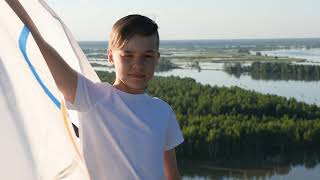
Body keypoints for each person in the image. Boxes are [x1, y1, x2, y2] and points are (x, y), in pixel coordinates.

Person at [6, 0, 184, 179]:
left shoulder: (163, 111)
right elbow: (43, 50)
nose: (137, 65)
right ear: (110, 57)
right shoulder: (93, 98)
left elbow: (172, 175)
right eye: (127, 55)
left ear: (157, 59)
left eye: (147, 56)